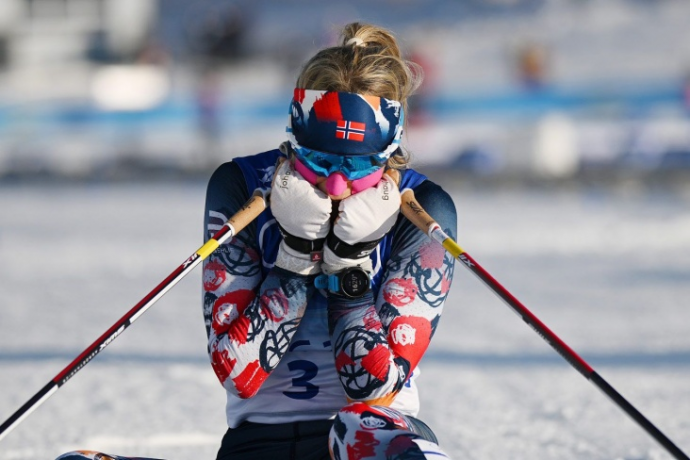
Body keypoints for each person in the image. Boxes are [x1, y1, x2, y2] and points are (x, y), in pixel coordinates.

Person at [56, 22, 457, 460]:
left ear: (391, 149)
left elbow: (374, 389)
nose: (338, 184)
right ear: (294, 135)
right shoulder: (241, 188)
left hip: (373, 437)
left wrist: (348, 263)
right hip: (262, 441)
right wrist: (297, 258)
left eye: (359, 166)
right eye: (319, 161)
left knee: (365, 427)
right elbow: (238, 373)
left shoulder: (422, 208)